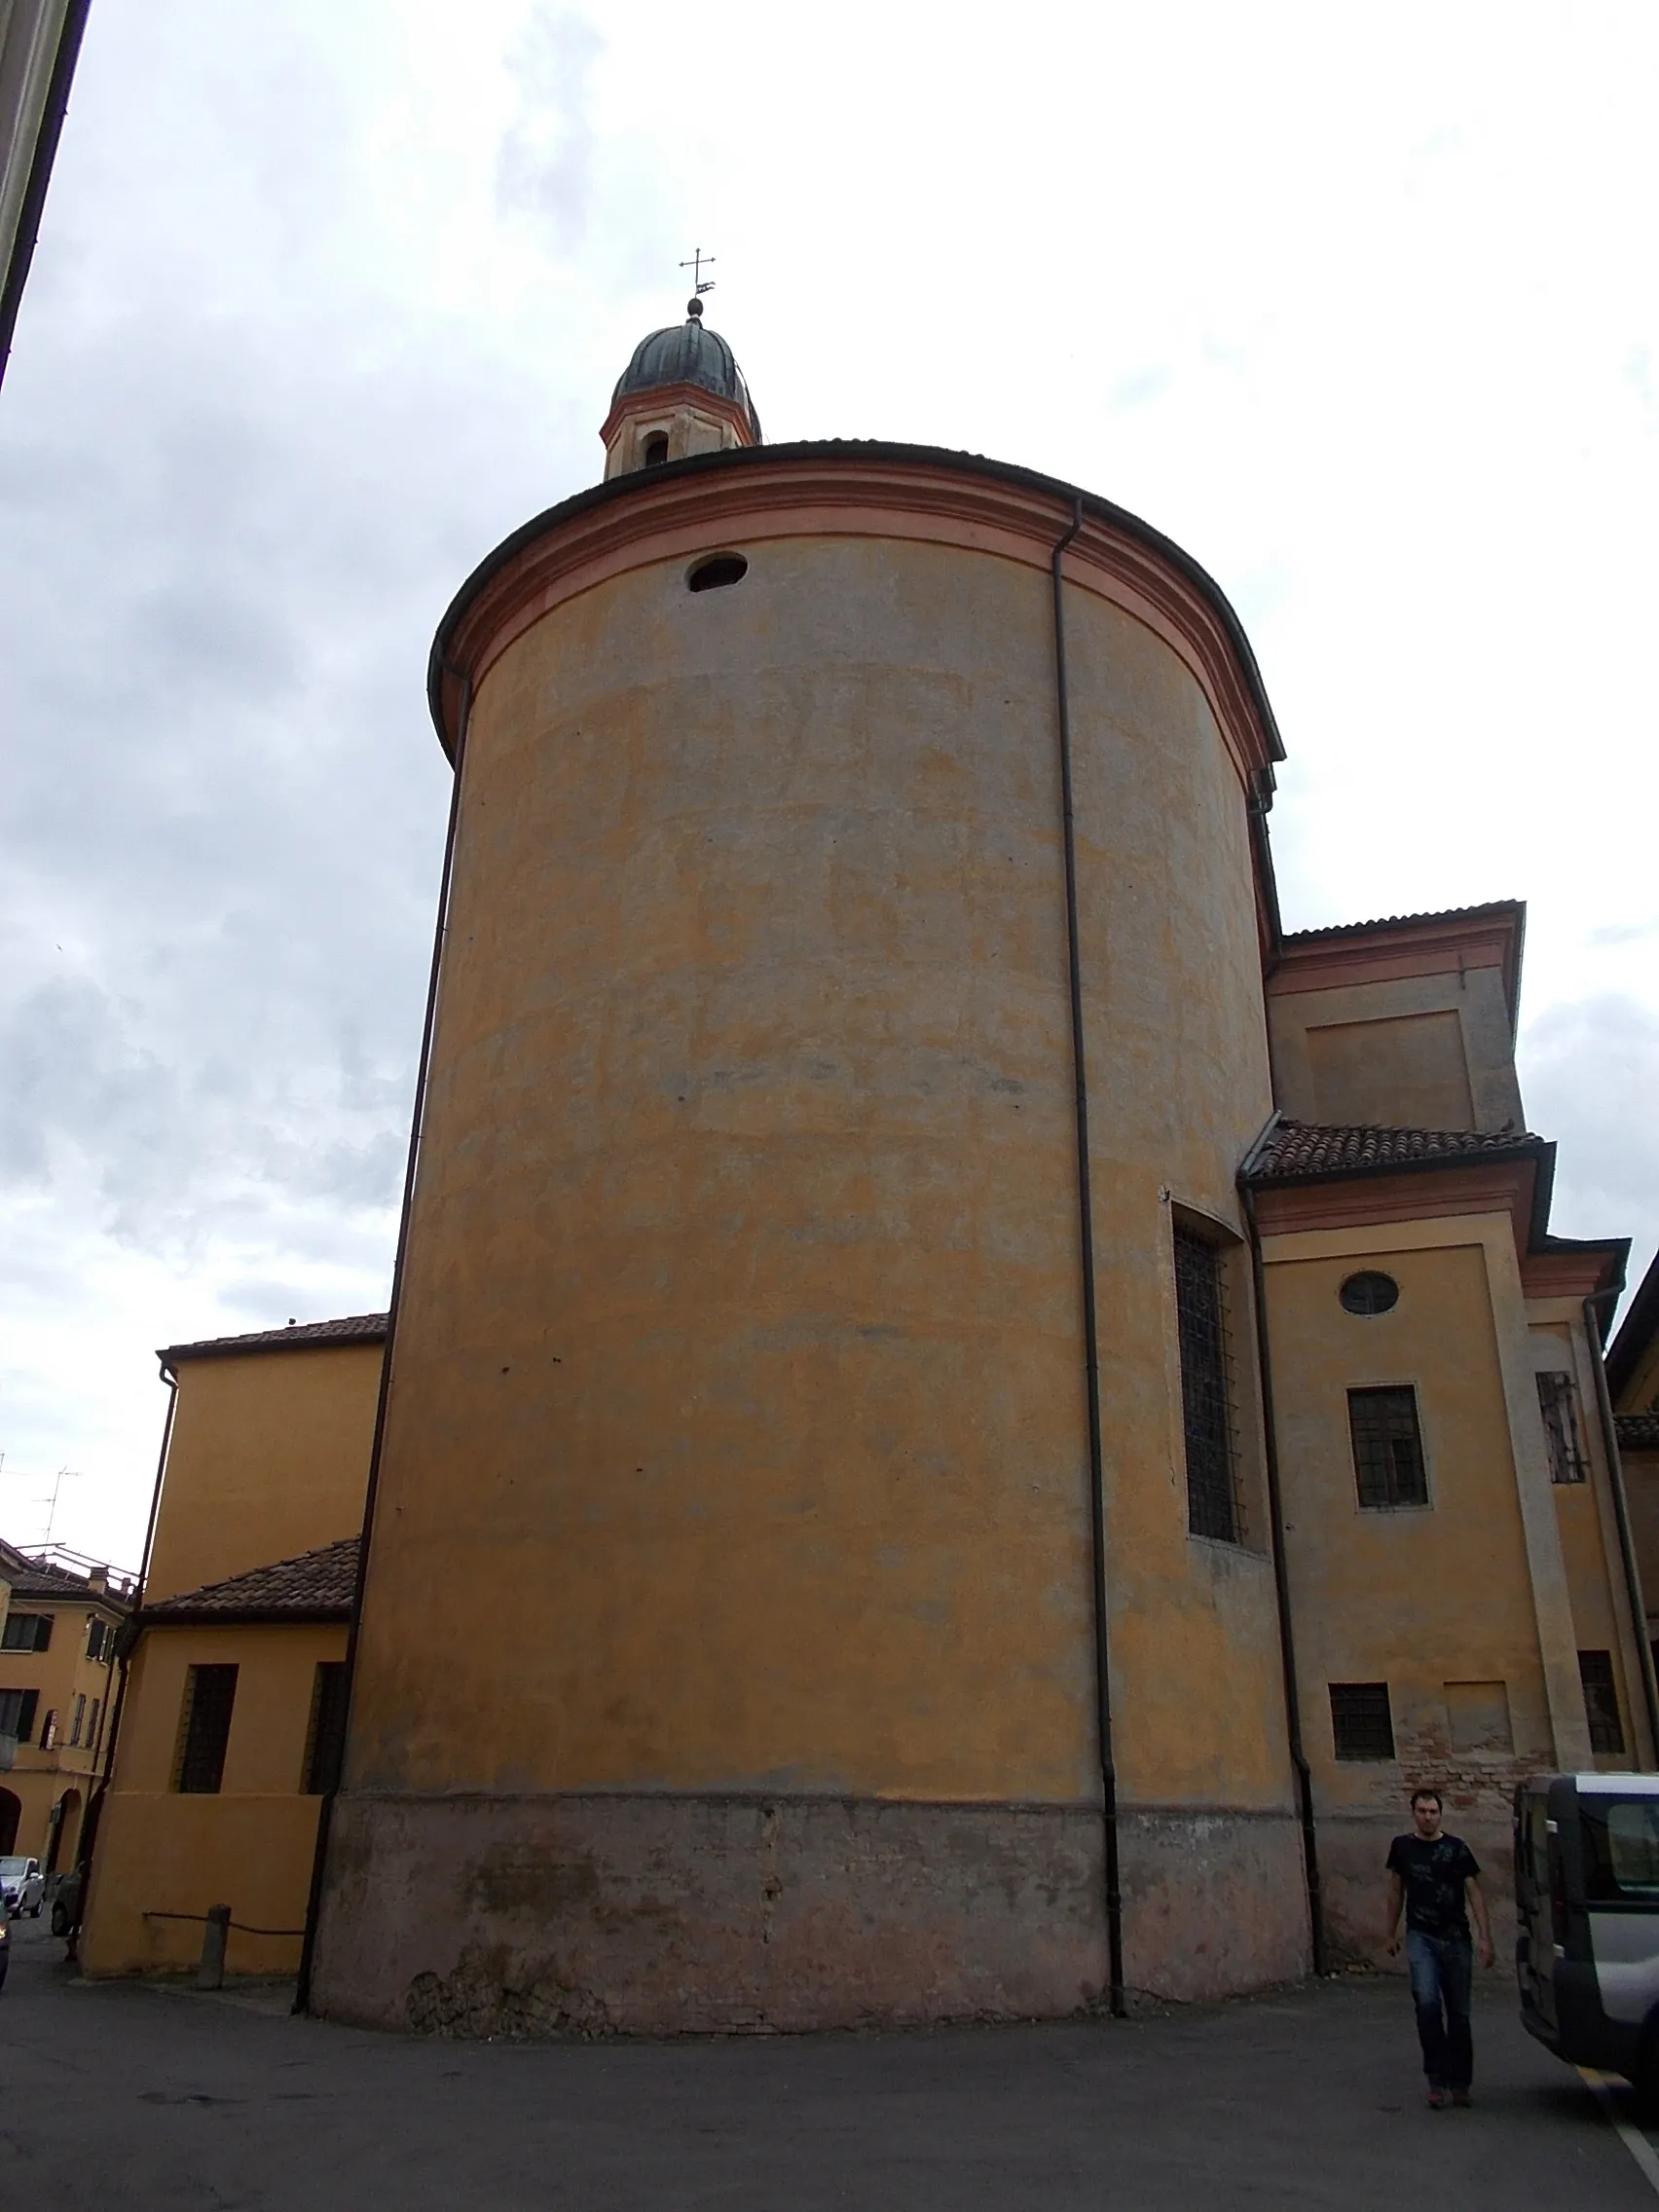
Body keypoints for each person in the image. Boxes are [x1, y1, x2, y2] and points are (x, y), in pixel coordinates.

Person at [1384, 1786, 1494, 2109]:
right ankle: (1436, 2078)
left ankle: (1460, 2082)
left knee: (1459, 2014)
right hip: (1421, 1936)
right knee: (1428, 2004)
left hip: (1456, 1938)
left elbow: (1474, 1893)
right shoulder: (1402, 1847)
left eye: (1433, 1812)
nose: (1428, 1817)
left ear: (1441, 1814)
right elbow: (1395, 1891)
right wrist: (1389, 1932)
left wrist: (1485, 1937)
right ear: (1414, 1813)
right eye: (1422, 1811)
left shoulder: (1457, 1849)